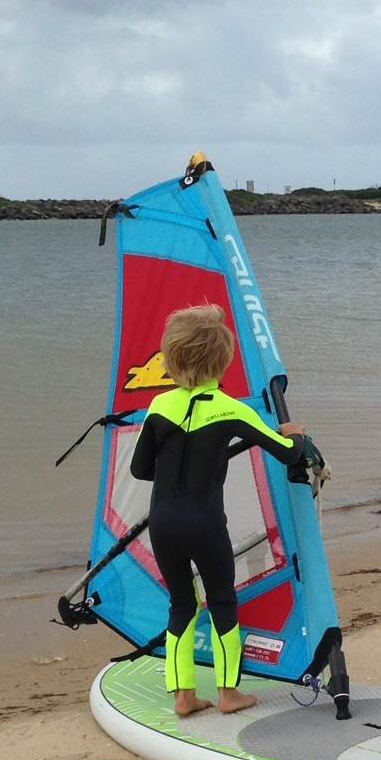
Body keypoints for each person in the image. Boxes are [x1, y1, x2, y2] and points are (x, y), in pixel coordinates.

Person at [130, 304, 312, 717]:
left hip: (163, 524)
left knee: (181, 604)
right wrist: (296, 434)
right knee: (222, 601)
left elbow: (141, 469)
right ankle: (229, 694)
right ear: (224, 359)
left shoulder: (159, 406)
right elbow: (288, 452)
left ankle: (184, 696)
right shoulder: (231, 409)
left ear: (170, 358)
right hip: (205, 524)